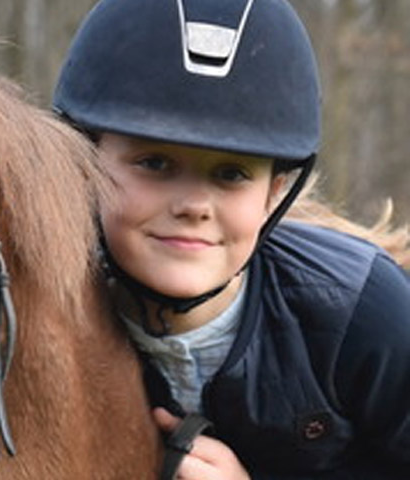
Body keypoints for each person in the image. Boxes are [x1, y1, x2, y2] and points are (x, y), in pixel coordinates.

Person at [52, 0, 410, 478]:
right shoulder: (33, 314)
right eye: (155, 163)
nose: (194, 205)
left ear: (273, 194)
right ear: (84, 164)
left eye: (231, 173)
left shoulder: (363, 315)